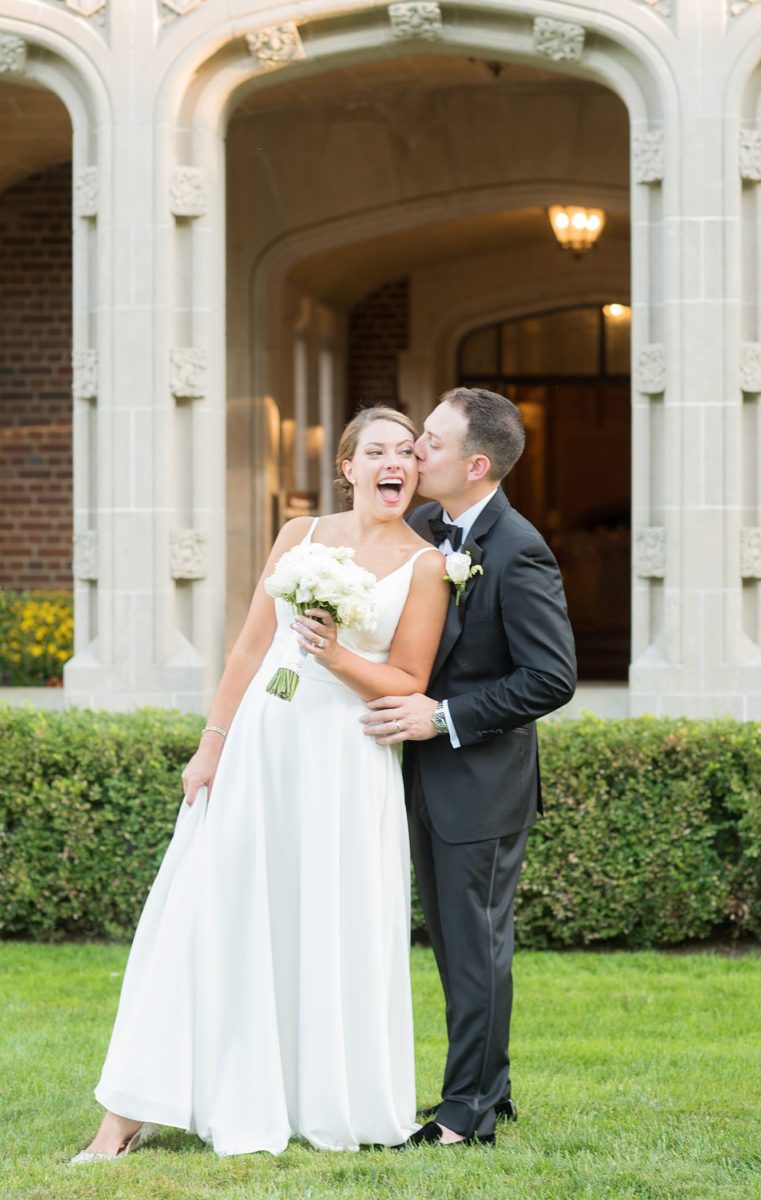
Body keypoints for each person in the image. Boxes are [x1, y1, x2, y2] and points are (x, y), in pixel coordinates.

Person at [71, 407, 449, 1161]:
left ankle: (318, 1097)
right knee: (211, 908)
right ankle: (130, 1112)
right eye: (376, 450)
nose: (394, 463)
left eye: (407, 452)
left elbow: (408, 679)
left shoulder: (426, 563)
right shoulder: (298, 537)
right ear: (346, 466)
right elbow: (249, 647)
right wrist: (211, 743)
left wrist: (335, 653)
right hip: (261, 747)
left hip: (345, 760)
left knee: (325, 919)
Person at [362, 387, 576, 1148]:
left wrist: (443, 716)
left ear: (475, 463)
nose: (414, 452)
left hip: (480, 785)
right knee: (454, 944)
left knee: (473, 942)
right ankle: (491, 1086)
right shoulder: (421, 526)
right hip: (412, 775)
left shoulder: (519, 549)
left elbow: (551, 676)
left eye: (430, 442)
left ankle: (466, 1114)